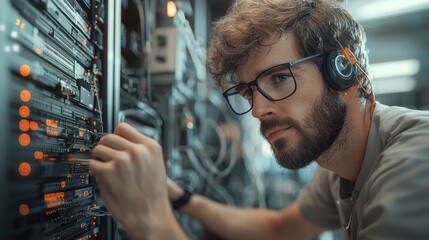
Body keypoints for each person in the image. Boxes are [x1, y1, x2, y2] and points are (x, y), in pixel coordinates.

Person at [89, 0, 429, 239]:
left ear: (343, 72)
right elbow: (278, 229)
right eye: (249, 91)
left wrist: (150, 221)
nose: (256, 110)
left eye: (279, 78)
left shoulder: (415, 163)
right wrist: (177, 197)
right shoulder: (336, 167)